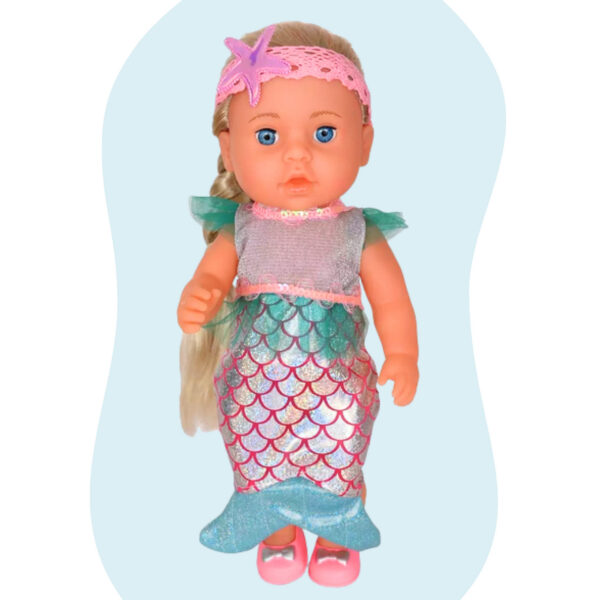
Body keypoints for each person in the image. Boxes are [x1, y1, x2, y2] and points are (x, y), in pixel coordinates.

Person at [177, 21, 419, 587]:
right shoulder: (240, 226)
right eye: (267, 136)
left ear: (365, 142)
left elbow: (392, 300)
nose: (297, 155)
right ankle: (277, 529)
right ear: (229, 148)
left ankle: (336, 532)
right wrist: (200, 296)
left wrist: (404, 354)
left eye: (324, 133)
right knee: (259, 449)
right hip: (255, 381)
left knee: (338, 445)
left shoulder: (356, 230)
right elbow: (210, 276)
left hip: (336, 380)